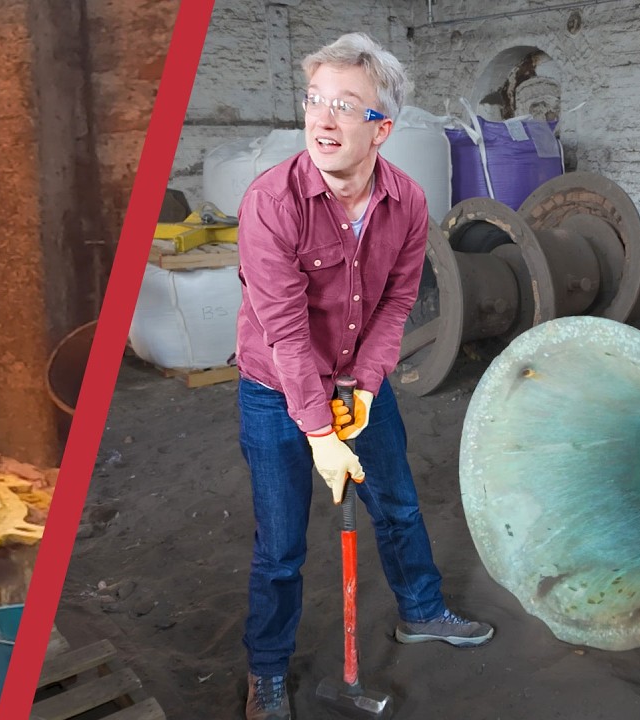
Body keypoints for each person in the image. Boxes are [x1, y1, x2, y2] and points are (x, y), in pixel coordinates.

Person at [233, 32, 494, 720]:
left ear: (383, 128)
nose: (321, 119)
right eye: (315, 99)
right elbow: (283, 329)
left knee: (398, 505)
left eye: (346, 106)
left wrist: (370, 388)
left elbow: (397, 304)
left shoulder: (406, 204)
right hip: (276, 388)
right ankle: (265, 673)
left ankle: (422, 608)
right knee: (282, 544)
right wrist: (318, 432)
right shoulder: (271, 202)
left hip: (357, 386)